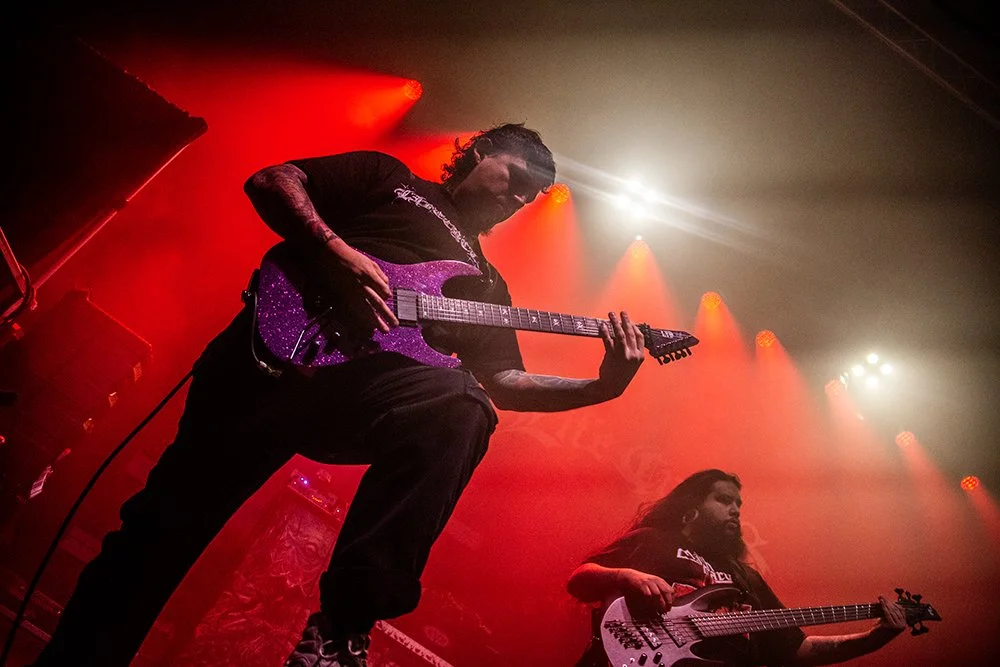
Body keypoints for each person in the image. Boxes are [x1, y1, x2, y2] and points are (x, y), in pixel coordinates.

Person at [31, 123, 649, 667]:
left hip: (363, 395)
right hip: (274, 356)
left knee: (464, 407)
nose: (517, 199)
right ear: (481, 150)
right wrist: (337, 252)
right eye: (516, 178)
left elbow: (506, 382)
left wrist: (603, 386)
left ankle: (342, 627)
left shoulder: (487, 285)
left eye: (530, 196)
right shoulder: (392, 181)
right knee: (159, 534)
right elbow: (274, 181)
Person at [567, 469, 908, 666]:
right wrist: (627, 575)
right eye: (723, 500)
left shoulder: (745, 577)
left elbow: (794, 648)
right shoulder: (655, 540)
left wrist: (875, 638)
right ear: (692, 508)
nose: (735, 510)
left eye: (738, 504)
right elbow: (580, 580)